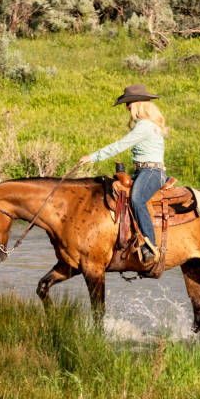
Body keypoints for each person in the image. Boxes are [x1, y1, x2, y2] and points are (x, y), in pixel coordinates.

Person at [78, 84, 167, 264]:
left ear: (139, 104)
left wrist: (93, 157)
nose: (127, 107)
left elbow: (120, 145)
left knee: (137, 199)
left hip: (151, 171)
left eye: (129, 103)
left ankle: (151, 245)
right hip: (144, 170)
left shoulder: (145, 126)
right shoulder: (148, 125)